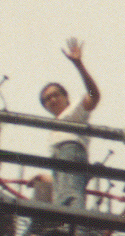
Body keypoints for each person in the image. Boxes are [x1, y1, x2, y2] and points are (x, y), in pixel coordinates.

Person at [38, 37, 101, 213]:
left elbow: (94, 95)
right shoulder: (55, 127)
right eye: (47, 99)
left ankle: (74, 223)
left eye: (55, 95)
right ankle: (68, 222)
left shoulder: (74, 110)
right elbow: (65, 181)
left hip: (70, 151)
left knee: (70, 198)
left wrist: (79, 65)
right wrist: (45, 178)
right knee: (63, 197)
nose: (52, 100)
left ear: (66, 97)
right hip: (60, 158)